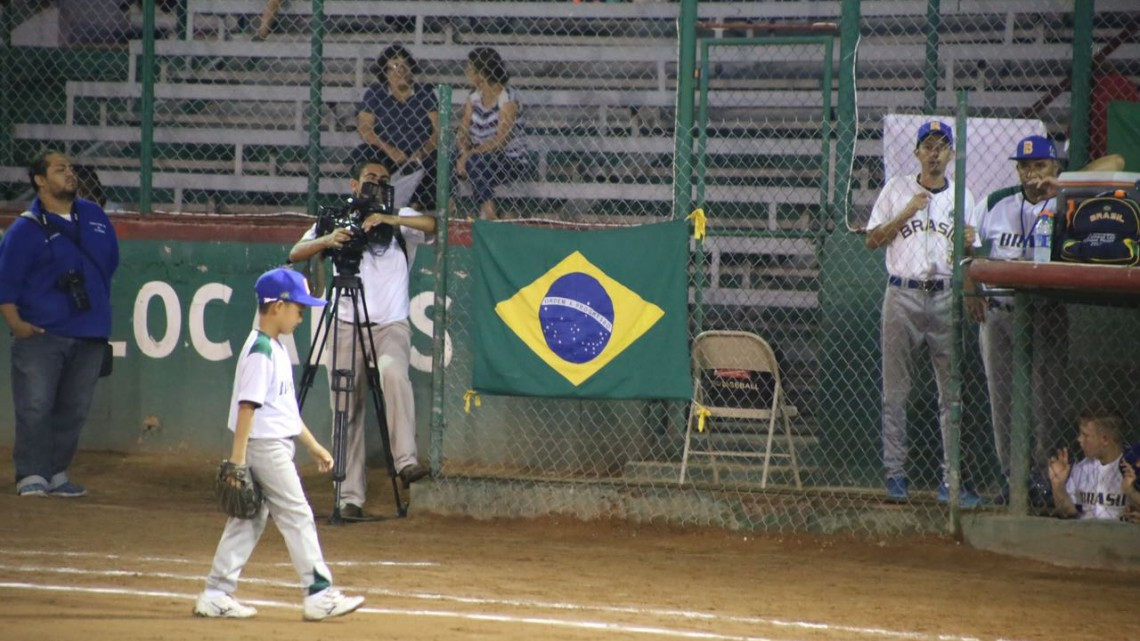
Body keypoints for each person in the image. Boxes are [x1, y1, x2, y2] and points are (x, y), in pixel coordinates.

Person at [193, 267, 365, 620]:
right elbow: (247, 407)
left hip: (270, 443)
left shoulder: (274, 348)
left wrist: (314, 446)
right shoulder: (260, 351)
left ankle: (216, 591)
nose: (302, 316)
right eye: (298, 309)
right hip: (264, 448)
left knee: (249, 518)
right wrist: (238, 460)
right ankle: (318, 593)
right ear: (276, 306)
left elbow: (284, 410)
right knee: (297, 514)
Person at [967, 137, 1125, 505]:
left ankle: (1045, 482)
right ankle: (1012, 480)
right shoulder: (995, 201)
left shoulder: (1068, 196)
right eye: (1024, 166)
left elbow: (1116, 160)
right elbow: (967, 243)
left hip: (1045, 313)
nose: (1030, 174)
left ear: (1055, 166)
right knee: (1001, 402)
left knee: (1047, 404)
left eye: (1039, 165)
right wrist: (970, 282)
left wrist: (1066, 184)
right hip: (1000, 315)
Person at [288, 159, 436, 519]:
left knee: (393, 373)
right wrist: (329, 239)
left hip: (390, 325)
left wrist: (390, 219)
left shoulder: (400, 217)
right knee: (345, 404)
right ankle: (349, 497)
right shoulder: (337, 218)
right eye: (370, 179)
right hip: (344, 322)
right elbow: (295, 253)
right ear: (354, 185)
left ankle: (405, 462)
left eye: (384, 180)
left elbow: (433, 225)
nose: (377, 185)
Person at [865, 121, 983, 506]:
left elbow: (972, 251)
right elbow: (872, 240)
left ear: (951, 154)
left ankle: (951, 480)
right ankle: (895, 475)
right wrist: (906, 211)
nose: (934, 153)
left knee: (951, 394)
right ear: (916, 152)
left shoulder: (961, 194)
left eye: (941, 146)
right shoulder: (897, 188)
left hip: (946, 295)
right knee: (895, 391)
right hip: (902, 294)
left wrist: (971, 245)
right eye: (928, 146)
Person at [0, 150, 119, 498]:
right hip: (41, 333)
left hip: (90, 331)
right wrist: (17, 324)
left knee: (74, 408)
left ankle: (56, 472)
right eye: (60, 169)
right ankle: (31, 474)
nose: (70, 173)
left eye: (71, 168)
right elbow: (6, 283)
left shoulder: (95, 216)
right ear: (39, 180)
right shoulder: (24, 229)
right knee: (35, 406)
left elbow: (110, 262)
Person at [356, 44, 439, 210]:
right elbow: (365, 129)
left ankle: (415, 207)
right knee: (364, 153)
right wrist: (390, 150)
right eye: (393, 67)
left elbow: (438, 129)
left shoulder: (425, 93)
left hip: (420, 151)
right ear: (385, 73)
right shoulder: (376, 93)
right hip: (387, 150)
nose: (399, 71)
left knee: (438, 158)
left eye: (404, 66)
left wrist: (423, 150)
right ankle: (373, 204)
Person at [455, 47, 527, 220]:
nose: (467, 72)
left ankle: (489, 214)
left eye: (471, 68)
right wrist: (464, 148)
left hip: (508, 159)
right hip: (477, 154)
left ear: (482, 73)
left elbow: (500, 141)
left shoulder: (508, 99)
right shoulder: (474, 97)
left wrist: (469, 154)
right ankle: (450, 214)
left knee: (475, 162)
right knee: (449, 158)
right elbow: (463, 129)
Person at [1047, 410, 1132, 521]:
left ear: (1104, 439)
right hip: (1086, 534)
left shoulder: (1131, 468)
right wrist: (1058, 485)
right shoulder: (1082, 468)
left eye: (1085, 435)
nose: (1079, 439)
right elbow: (1068, 512)